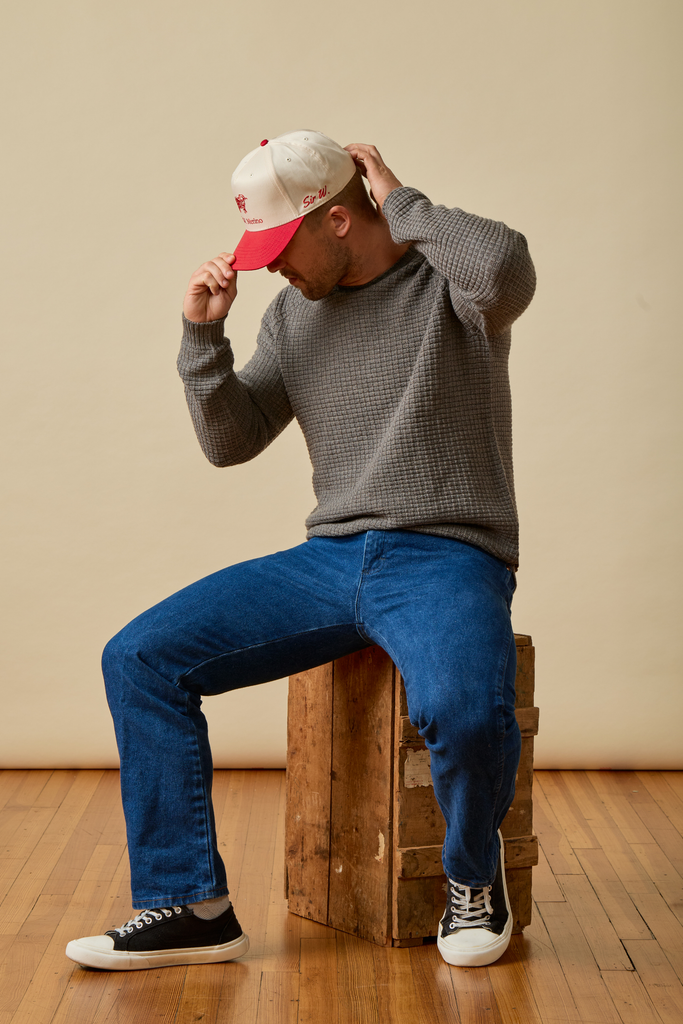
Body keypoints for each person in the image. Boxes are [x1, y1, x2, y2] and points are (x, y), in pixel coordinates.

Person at [66, 130, 536, 972]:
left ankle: (472, 875)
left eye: (282, 247)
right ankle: (191, 904)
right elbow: (232, 441)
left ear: (342, 220)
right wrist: (201, 341)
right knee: (139, 658)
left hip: (446, 554)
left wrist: (402, 197)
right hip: (330, 561)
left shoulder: (450, 287)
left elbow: (505, 269)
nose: (272, 269)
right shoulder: (291, 316)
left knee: (464, 710)